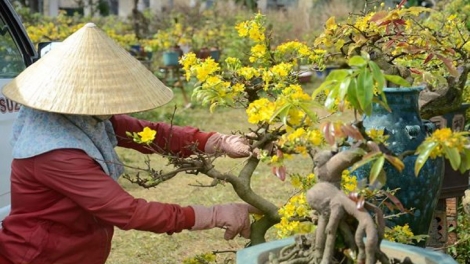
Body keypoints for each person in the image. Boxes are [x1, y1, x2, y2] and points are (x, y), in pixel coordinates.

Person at [0, 23, 259, 264]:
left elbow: (149, 133)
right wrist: (210, 215)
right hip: (39, 257)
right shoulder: (55, 153)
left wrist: (215, 141)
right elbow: (127, 211)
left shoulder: (80, 117)